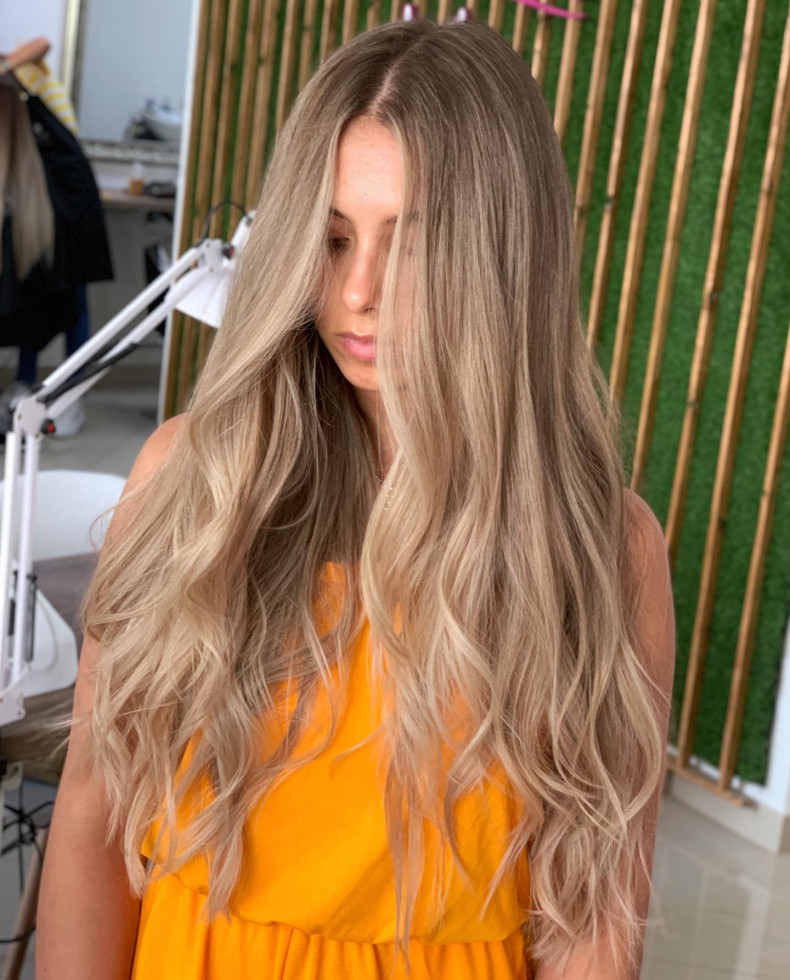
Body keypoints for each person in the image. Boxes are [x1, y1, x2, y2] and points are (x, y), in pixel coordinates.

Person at [36, 17, 675, 980]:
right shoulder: (194, 482)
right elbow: (95, 809)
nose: (359, 290)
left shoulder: (601, 549)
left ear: (506, 256)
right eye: (332, 238)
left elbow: (596, 916)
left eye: (412, 243)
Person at [0, 36, 106, 438]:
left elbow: (42, 43)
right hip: (45, 197)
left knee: (70, 302)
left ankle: (69, 395)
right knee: (34, 294)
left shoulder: (25, 69)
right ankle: (25, 386)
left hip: (70, 200)